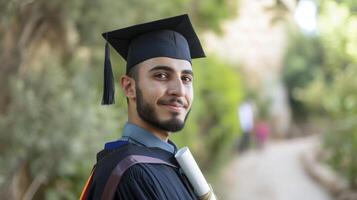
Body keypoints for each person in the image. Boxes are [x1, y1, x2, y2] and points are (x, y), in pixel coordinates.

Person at [80, 14, 209, 200]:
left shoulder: (175, 162)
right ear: (129, 87)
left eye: (186, 79)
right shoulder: (129, 172)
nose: (179, 90)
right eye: (162, 75)